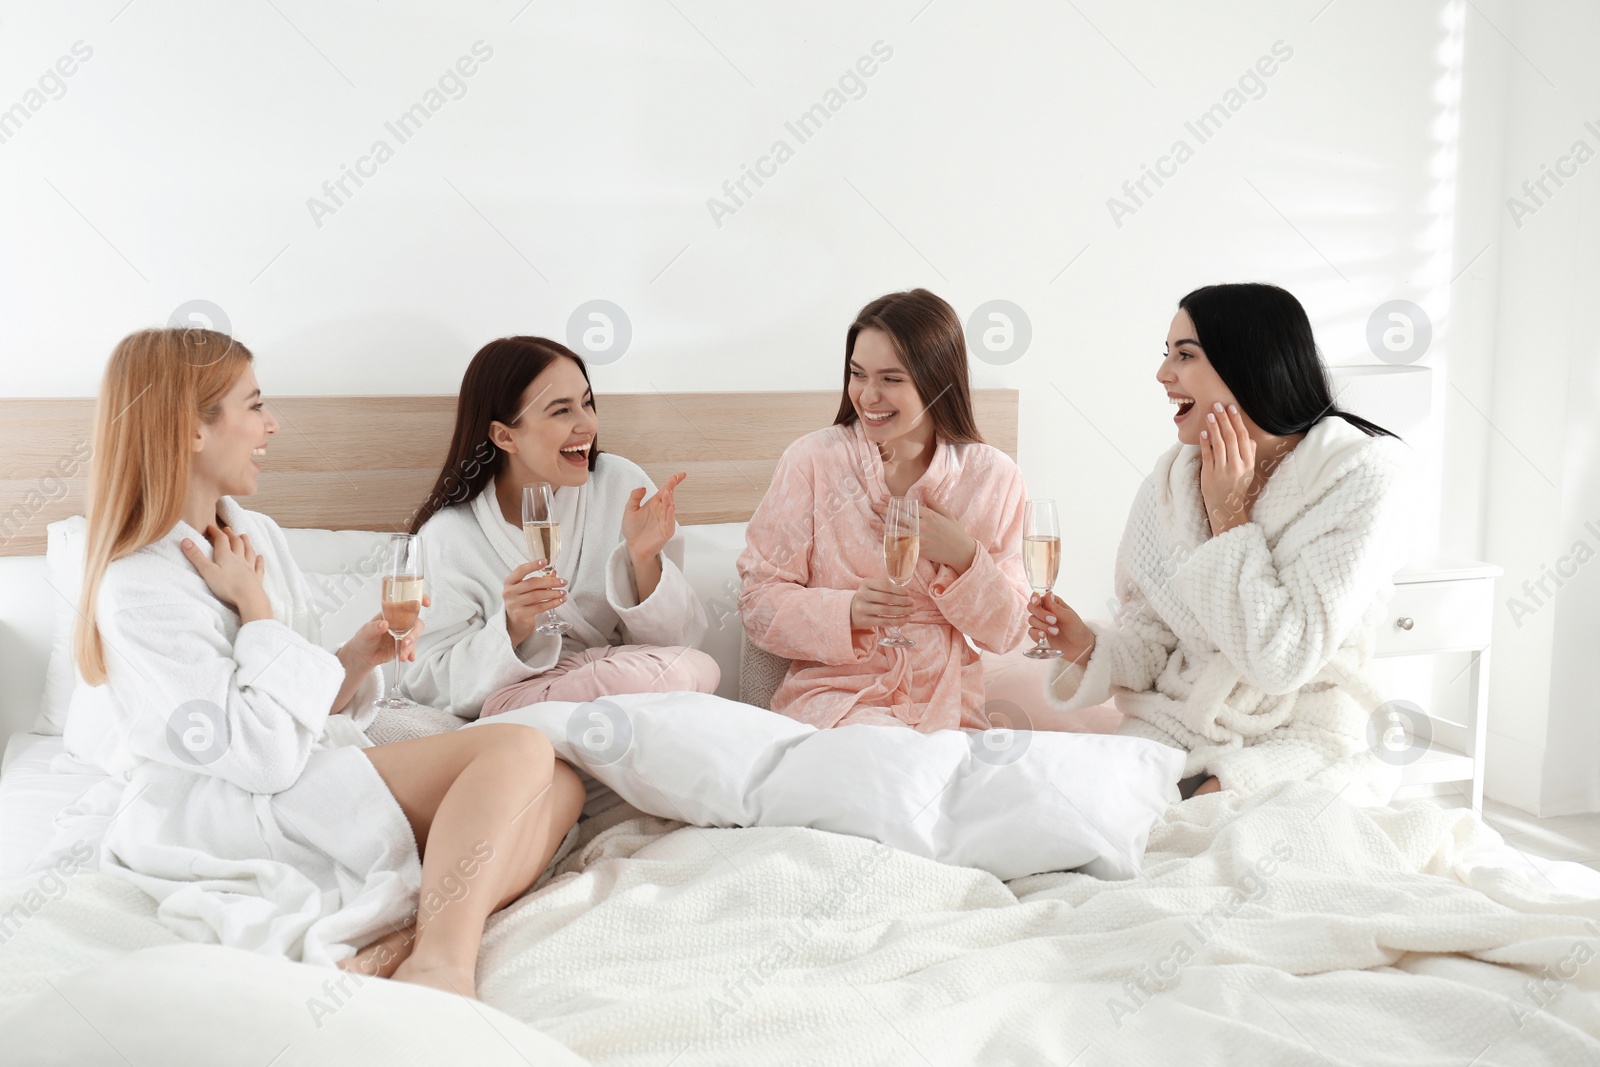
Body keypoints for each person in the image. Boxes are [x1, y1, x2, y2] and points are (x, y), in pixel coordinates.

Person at [72, 327, 583, 997]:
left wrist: (354, 657)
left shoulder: (257, 534)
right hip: (225, 802)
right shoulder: (138, 584)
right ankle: (444, 962)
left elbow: (300, 703)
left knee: (565, 781)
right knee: (517, 751)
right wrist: (256, 613)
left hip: (296, 767)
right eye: (254, 406)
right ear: (191, 428)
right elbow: (261, 756)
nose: (272, 424)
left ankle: (405, 938)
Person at [1028, 283, 1408, 802]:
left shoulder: (1356, 476)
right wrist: (1090, 648)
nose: (1164, 375)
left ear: (1249, 363)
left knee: (1211, 815)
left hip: (1302, 733)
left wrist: (1229, 515)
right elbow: (1154, 640)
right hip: (1182, 721)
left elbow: (1283, 662)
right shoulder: (1172, 481)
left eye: (1185, 355)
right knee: (1082, 808)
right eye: (1167, 356)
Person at [738, 288, 1030, 731]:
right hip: (838, 701)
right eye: (858, 374)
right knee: (888, 769)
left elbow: (1009, 631)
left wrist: (964, 557)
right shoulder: (813, 461)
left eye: (891, 379)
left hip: (949, 705)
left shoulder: (995, 477)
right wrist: (846, 612)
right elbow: (757, 602)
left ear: (937, 382)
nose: (868, 396)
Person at [403, 336, 717, 722]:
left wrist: (643, 559)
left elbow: (676, 642)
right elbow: (423, 683)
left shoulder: (620, 484)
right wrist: (512, 627)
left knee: (697, 666)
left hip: (626, 682)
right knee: (662, 678)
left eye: (587, 402)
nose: (587, 424)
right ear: (504, 436)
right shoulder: (448, 536)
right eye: (561, 411)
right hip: (523, 699)